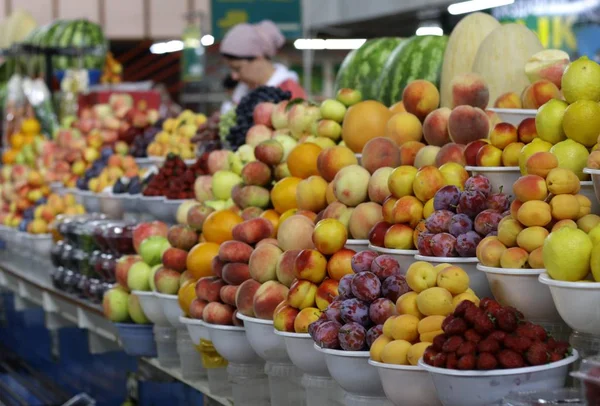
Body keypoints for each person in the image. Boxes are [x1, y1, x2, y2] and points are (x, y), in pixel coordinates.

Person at [220, 20, 306, 110]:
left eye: (237, 68)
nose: (234, 76)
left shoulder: (288, 92)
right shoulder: (244, 88)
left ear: (258, 59)